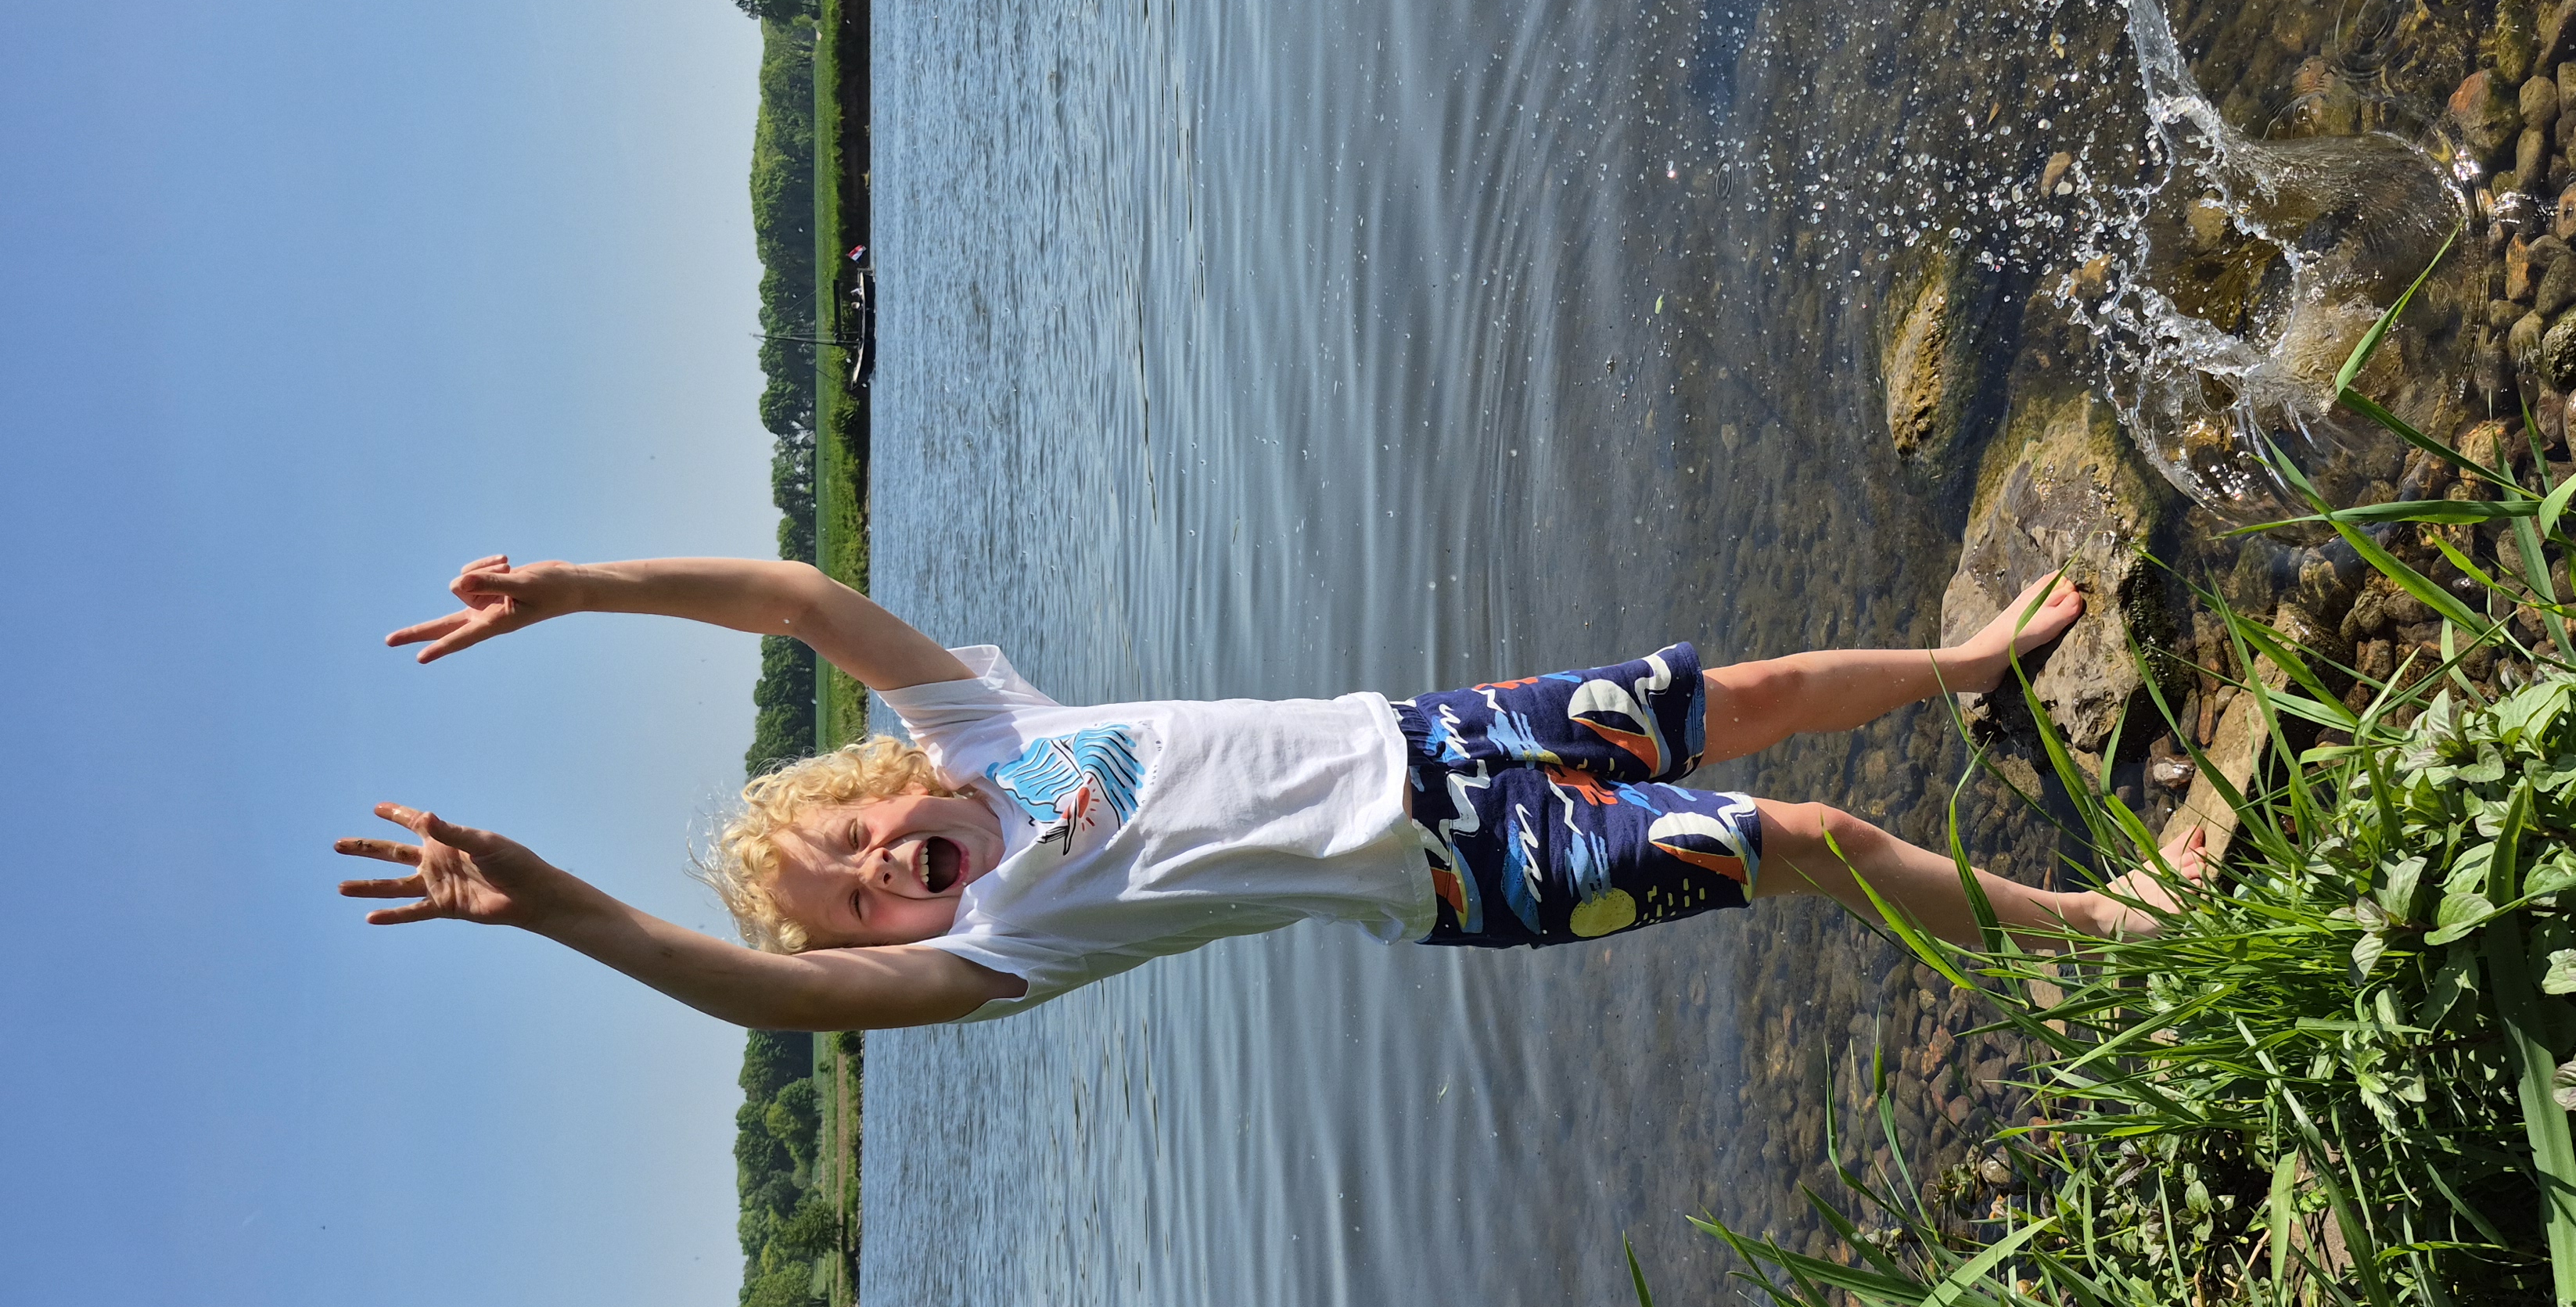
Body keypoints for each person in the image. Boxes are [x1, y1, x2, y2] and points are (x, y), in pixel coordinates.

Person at [336, 555, 2208, 1030]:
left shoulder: (986, 731)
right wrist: (557, 903)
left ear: (874, 780)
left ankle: (1958, 666)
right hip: (1473, 871)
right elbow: (755, 986)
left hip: (1447, 725)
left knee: (1757, 696)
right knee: (1801, 844)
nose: (882, 874)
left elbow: (797, 598)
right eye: (862, 904)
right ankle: (2100, 929)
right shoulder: (1007, 944)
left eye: (851, 843)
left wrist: (581, 588)